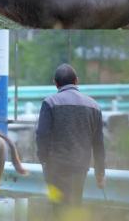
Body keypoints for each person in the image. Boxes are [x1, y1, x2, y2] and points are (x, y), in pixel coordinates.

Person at [36, 63, 105, 214]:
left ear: (55, 83)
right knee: (75, 206)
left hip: (56, 167)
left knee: (58, 208)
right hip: (80, 167)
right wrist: (100, 172)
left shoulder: (50, 103)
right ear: (76, 81)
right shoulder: (94, 106)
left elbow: (42, 135)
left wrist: (44, 160)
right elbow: (98, 143)